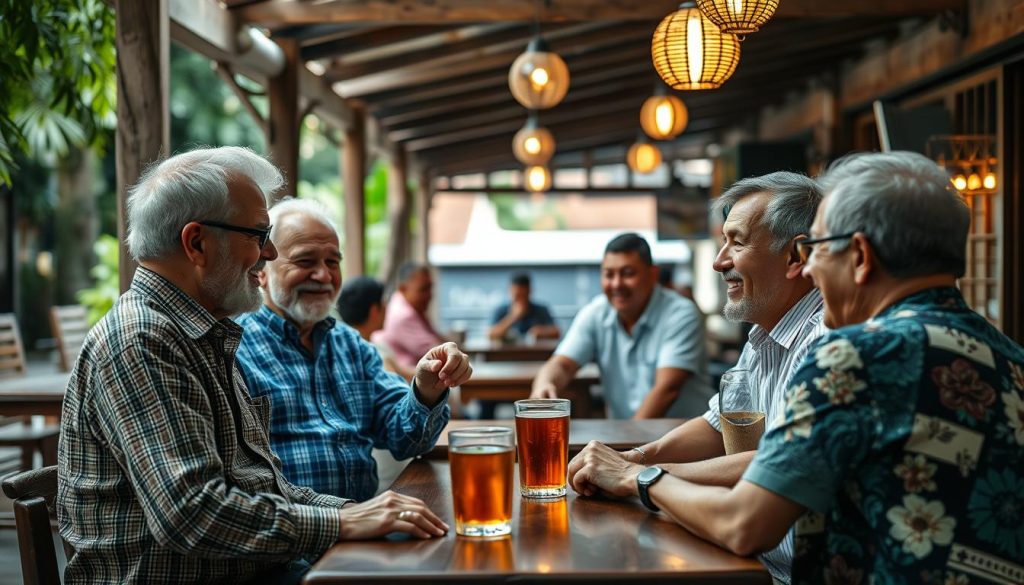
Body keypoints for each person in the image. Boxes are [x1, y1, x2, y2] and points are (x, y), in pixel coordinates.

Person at [568, 151, 1024, 583]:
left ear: (860, 257)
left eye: (820, 248)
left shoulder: (856, 356)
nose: (811, 270)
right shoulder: (1013, 358)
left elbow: (745, 524)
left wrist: (637, 477)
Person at [58, 147, 450, 585]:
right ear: (197, 243)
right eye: (258, 236)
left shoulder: (203, 334)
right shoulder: (141, 340)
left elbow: (262, 485)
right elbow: (191, 514)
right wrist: (343, 522)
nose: (268, 254)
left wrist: (357, 512)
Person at [567, 172, 826, 583]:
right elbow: (715, 424)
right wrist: (636, 458)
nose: (719, 260)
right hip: (754, 563)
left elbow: (776, 460)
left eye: (737, 242)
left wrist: (634, 477)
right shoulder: (765, 332)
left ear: (795, 258)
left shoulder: (824, 341)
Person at [236, 199, 469, 501]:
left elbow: (406, 440)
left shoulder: (352, 345)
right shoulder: (235, 350)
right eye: (305, 261)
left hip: (369, 530)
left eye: (333, 262)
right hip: (293, 537)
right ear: (261, 272)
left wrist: (427, 390)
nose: (324, 275)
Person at [531, 232, 712, 419]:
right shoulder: (596, 312)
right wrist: (545, 384)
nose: (616, 284)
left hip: (686, 441)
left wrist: (627, 445)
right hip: (626, 438)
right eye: (609, 274)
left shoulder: (681, 313)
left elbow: (667, 390)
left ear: (653, 274)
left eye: (628, 274)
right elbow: (562, 364)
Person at [337, 275, 417, 381]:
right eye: (383, 303)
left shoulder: (342, 349)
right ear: (374, 311)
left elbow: (405, 372)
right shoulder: (376, 355)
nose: (386, 308)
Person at [372, 262, 446, 368]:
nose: (429, 295)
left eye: (430, 288)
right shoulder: (403, 315)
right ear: (403, 288)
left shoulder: (412, 307)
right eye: (423, 289)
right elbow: (439, 352)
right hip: (408, 380)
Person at [489, 272, 560, 341]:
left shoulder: (541, 310)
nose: (521, 300)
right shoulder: (500, 310)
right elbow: (491, 334)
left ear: (530, 291)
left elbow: (557, 332)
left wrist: (542, 332)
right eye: (517, 296)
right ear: (510, 291)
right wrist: (513, 317)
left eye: (524, 295)